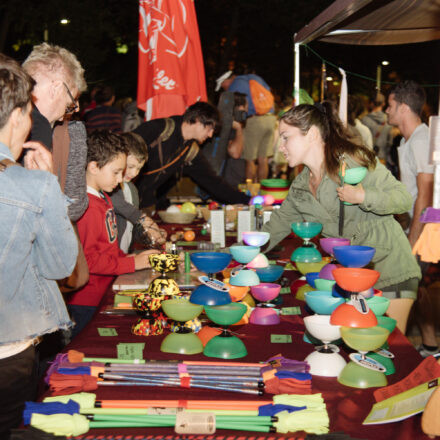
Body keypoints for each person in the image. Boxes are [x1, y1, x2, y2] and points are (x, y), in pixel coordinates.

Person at [262, 102, 421, 333]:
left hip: (389, 270)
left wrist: (363, 196)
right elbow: (273, 229)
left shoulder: (352, 163)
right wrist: (227, 257)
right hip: (350, 279)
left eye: (286, 137)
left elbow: (403, 199)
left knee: (384, 347)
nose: (281, 147)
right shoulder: (299, 187)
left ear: (313, 135)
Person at [0, 54, 78, 437]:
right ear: (16, 118)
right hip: (7, 350)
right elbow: (60, 264)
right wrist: (51, 192)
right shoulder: (34, 185)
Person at [66, 131, 158, 339]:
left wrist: (127, 257)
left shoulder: (103, 197)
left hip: (103, 290)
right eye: (116, 172)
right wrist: (131, 264)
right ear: (93, 166)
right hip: (86, 298)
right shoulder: (86, 207)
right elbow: (87, 261)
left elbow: (106, 245)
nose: (120, 179)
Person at [386, 80, 436, 356]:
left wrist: (412, 240)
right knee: (415, 286)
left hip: (426, 230)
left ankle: (396, 351)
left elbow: (425, 193)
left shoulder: (421, 139)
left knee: (401, 286)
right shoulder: (411, 139)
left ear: (404, 107)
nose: (386, 110)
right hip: (419, 225)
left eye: (390, 105)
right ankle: (429, 343)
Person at [134, 101, 250, 208]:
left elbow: (213, 182)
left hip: (141, 203)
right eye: (210, 129)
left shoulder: (190, 150)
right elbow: (123, 147)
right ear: (198, 119)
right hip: (122, 196)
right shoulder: (159, 129)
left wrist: (247, 200)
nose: (210, 135)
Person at [22, 42, 89, 220]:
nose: (71, 110)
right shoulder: (39, 125)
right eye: (70, 102)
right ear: (56, 88)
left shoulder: (9, 114)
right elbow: (38, 206)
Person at [111, 132, 166, 252]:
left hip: (124, 256)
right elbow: (117, 204)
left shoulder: (132, 190)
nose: (135, 173)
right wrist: (143, 219)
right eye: (130, 167)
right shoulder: (109, 187)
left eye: (139, 168)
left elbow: (131, 229)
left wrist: (149, 234)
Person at [216, 70, 276, 181]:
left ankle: (250, 192)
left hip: (254, 121)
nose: (223, 88)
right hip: (270, 119)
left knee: (250, 159)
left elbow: (239, 108)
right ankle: (261, 192)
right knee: (263, 159)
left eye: (222, 85)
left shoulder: (235, 85)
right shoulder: (255, 77)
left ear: (226, 80)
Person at [361, 92, 394, 164]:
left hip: (367, 159)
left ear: (371, 103)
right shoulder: (388, 120)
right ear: (383, 104)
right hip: (382, 159)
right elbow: (390, 143)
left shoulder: (364, 120)